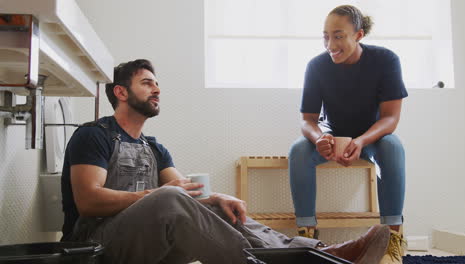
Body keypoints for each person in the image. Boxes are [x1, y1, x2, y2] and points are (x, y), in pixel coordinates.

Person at [61, 59, 390, 264]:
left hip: (148, 247)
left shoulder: (153, 146)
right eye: (147, 83)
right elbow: (88, 201)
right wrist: (151, 196)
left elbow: (190, 196)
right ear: (120, 92)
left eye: (158, 84)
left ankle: (317, 254)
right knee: (170, 197)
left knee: (220, 207)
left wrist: (215, 198)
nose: (157, 89)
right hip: (96, 248)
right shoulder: (95, 135)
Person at [288, 5, 408, 264]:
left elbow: (390, 118)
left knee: (393, 147)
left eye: (339, 36)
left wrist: (362, 140)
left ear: (359, 35)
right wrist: (319, 138)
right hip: (333, 137)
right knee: (298, 150)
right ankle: (307, 237)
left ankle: (391, 241)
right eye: (326, 36)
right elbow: (307, 120)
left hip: (372, 138)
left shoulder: (386, 60)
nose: (330, 44)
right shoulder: (316, 66)